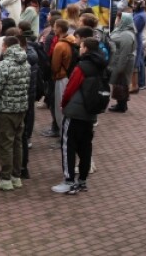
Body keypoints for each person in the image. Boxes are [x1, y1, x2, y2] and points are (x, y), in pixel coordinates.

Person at [53, 38, 108, 195]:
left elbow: (71, 87)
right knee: (85, 146)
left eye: (81, 46)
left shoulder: (82, 66)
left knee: (68, 145)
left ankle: (68, 181)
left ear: (86, 49)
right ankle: (82, 181)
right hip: (91, 111)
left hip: (76, 110)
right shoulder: (101, 65)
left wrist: (64, 104)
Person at [0, 36, 31, 191]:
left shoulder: (4, 65)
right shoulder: (26, 63)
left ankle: (5, 178)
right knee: (17, 142)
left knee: (5, 143)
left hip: (6, 109)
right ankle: (16, 176)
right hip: (21, 108)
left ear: (5, 46)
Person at [108, 13, 137, 112]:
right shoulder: (121, 30)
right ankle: (120, 104)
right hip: (119, 61)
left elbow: (124, 53)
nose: (116, 20)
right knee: (119, 83)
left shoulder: (126, 35)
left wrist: (119, 68)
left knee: (122, 83)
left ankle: (121, 105)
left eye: (118, 18)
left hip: (123, 62)